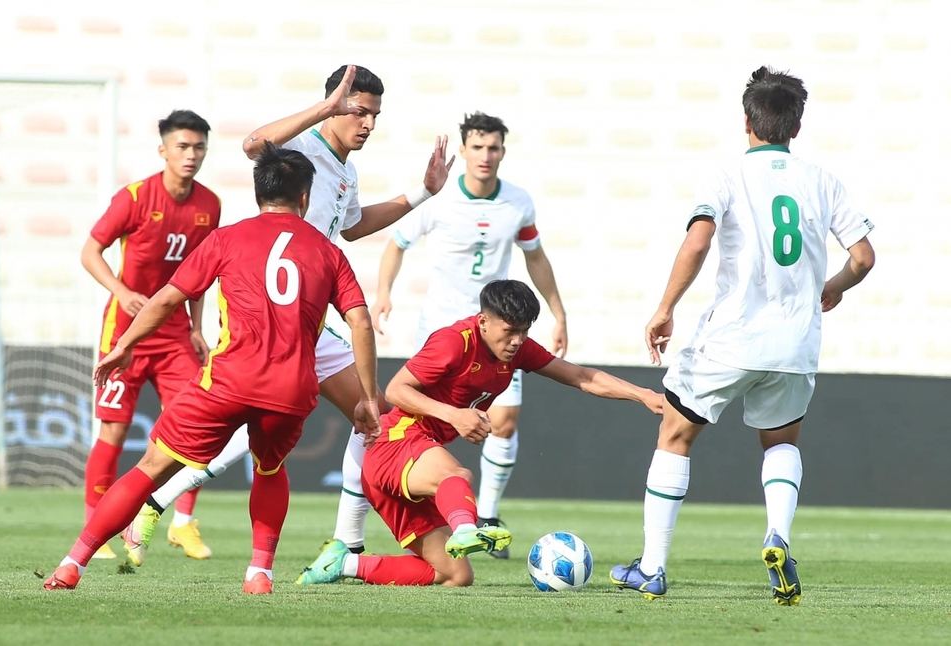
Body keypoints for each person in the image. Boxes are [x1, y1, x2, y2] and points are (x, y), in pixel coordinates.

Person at [120, 63, 454, 563]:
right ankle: (155, 504)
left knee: (373, 416)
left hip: (309, 320)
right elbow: (254, 144)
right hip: (272, 313)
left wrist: (424, 192)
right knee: (352, 419)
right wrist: (323, 109)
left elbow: (356, 227)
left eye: (374, 116)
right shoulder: (301, 149)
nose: (367, 123)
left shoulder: (346, 171)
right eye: (359, 111)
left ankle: (346, 540)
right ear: (337, 104)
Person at [43, 143, 380, 595]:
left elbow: (167, 298)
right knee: (269, 468)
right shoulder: (327, 252)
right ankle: (259, 573)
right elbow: (360, 320)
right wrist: (369, 397)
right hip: (291, 388)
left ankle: (72, 564)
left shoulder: (226, 238)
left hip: (228, 380)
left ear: (259, 192)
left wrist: (125, 344)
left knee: (150, 466)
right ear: (305, 198)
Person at [609, 66, 876, 605]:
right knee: (779, 443)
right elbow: (864, 257)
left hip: (731, 338)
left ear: (746, 122)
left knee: (675, 436)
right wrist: (833, 286)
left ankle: (654, 568)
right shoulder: (823, 181)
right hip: (796, 343)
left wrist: (665, 308)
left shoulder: (727, 175)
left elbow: (698, 242)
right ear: (795, 127)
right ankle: (778, 535)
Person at [296, 280, 663, 587]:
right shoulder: (454, 342)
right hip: (396, 443)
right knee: (457, 476)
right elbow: (395, 391)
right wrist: (454, 415)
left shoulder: (513, 351)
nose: (518, 340)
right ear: (484, 321)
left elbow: (582, 377)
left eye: (524, 331)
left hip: (409, 461)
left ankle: (343, 565)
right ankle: (467, 528)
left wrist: (643, 394)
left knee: (455, 574)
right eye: (510, 330)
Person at [371, 112, 567, 558]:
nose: (485, 155)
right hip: (444, 331)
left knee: (504, 421)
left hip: (500, 333)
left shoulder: (518, 202)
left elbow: (535, 257)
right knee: (406, 418)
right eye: (477, 147)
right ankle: (363, 521)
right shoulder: (438, 201)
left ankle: (487, 515)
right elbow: (395, 244)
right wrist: (383, 293)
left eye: (494, 147)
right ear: (463, 151)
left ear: (502, 151)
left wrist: (557, 311)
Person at [80, 109, 220, 560]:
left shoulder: (209, 205)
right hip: (126, 333)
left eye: (198, 147)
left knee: (194, 430)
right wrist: (121, 292)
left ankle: (183, 523)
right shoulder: (135, 196)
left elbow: (202, 273)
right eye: (182, 146)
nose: (191, 155)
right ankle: (95, 525)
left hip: (177, 333)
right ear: (163, 150)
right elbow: (90, 250)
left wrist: (199, 327)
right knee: (115, 433)